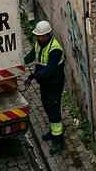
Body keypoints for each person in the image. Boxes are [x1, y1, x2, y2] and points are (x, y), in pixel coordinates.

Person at [25, 21, 67, 152]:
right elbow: (32, 55)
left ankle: (58, 140)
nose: (39, 38)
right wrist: (19, 62)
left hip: (54, 84)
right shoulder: (39, 43)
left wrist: (33, 76)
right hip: (44, 84)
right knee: (46, 106)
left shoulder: (55, 49)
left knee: (54, 110)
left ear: (48, 35)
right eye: (38, 35)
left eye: (42, 36)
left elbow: (49, 70)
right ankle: (53, 131)